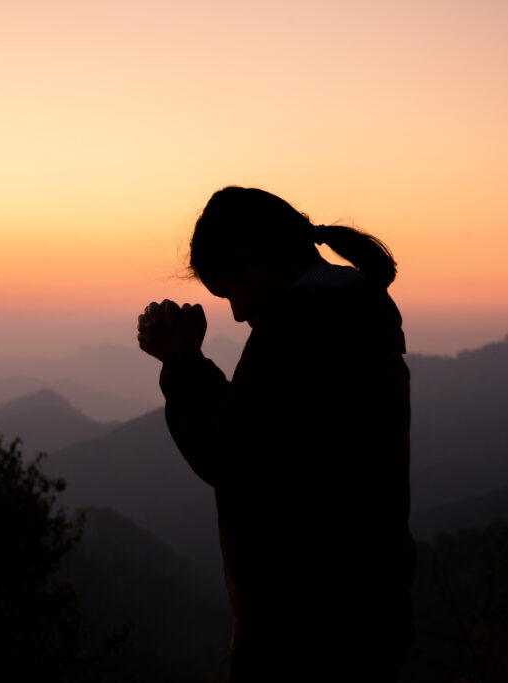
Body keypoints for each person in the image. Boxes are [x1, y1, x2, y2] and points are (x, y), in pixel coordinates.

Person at [137, 186, 414, 681]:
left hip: (299, 635)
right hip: (371, 616)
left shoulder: (297, 329)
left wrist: (180, 362)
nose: (238, 314)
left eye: (230, 293)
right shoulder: (356, 315)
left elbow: (226, 454)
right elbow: (263, 436)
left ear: (254, 263)